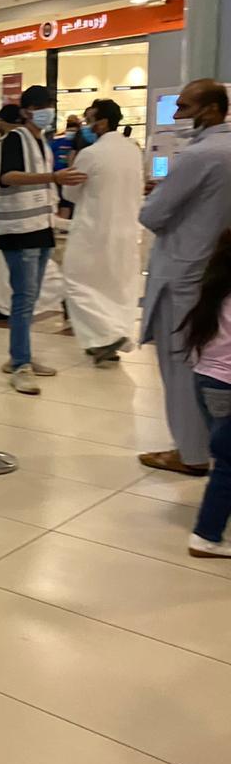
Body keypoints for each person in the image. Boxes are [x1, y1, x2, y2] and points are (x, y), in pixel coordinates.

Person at [138, 79, 231, 475]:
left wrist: (159, 194)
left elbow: (152, 215)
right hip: (217, 270)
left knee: (180, 365)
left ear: (210, 109)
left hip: (183, 272)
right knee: (212, 363)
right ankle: (209, 445)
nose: (177, 115)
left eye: (184, 107)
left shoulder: (200, 154)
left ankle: (191, 453)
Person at [0, 86, 86, 395]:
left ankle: (20, 356)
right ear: (27, 110)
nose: (47, 112)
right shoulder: (15, 139)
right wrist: (53, 178)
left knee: (30, 298)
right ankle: (20, 363)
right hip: (19, 231)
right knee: (24, 299)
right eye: (42, 107)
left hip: (40, 228)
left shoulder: (42, 142)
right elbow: (7, 178)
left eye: (50, 105)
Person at [61, 100, 143, 365]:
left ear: (103, 122)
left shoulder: (91, 154)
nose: (86, 125)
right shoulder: (133, 150)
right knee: (116, 287)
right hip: (126, 230)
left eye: (90, 119)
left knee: (77, 283)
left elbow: (70, 192)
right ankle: (108, 336)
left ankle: (106, 335)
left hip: (92, 230)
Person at [182, 230, 231, 557]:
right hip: (227, 384)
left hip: (207, 381)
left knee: (224, 455)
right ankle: (206, 536)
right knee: (228, 464)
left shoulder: (215, 292)